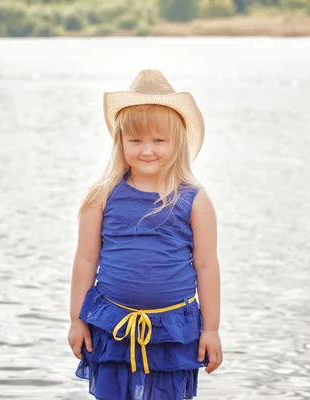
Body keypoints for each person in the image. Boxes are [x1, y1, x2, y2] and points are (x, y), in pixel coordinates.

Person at [67, 69, 222, 400]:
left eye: (158, 140)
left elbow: (206, 266)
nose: (146, 150)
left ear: (176, 141)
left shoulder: (194, 199)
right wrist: (76, 320)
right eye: (135, 140)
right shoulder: (102, 196)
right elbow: (85, 259)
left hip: (172, 331)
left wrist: (211, 330)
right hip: (112, 325)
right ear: (120, 142)